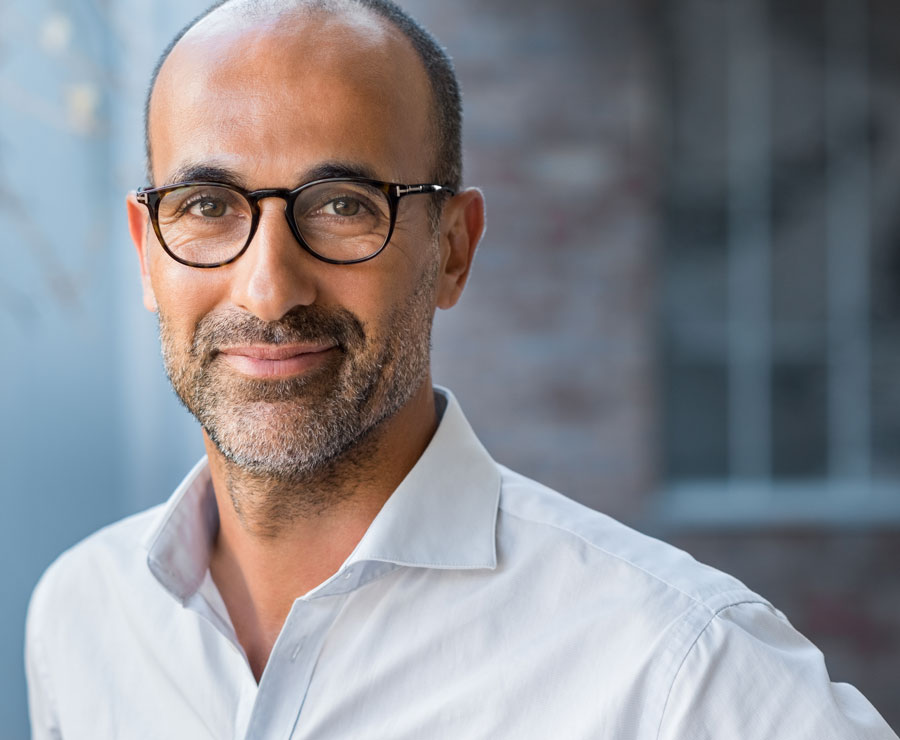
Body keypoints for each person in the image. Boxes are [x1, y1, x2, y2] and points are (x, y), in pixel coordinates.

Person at [24, 1, 897, 738]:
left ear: (452, 249)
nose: (269, 288)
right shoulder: (85, 616)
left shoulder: (680, 672)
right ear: (148, 255)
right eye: (207, 207)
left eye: (341, 207)